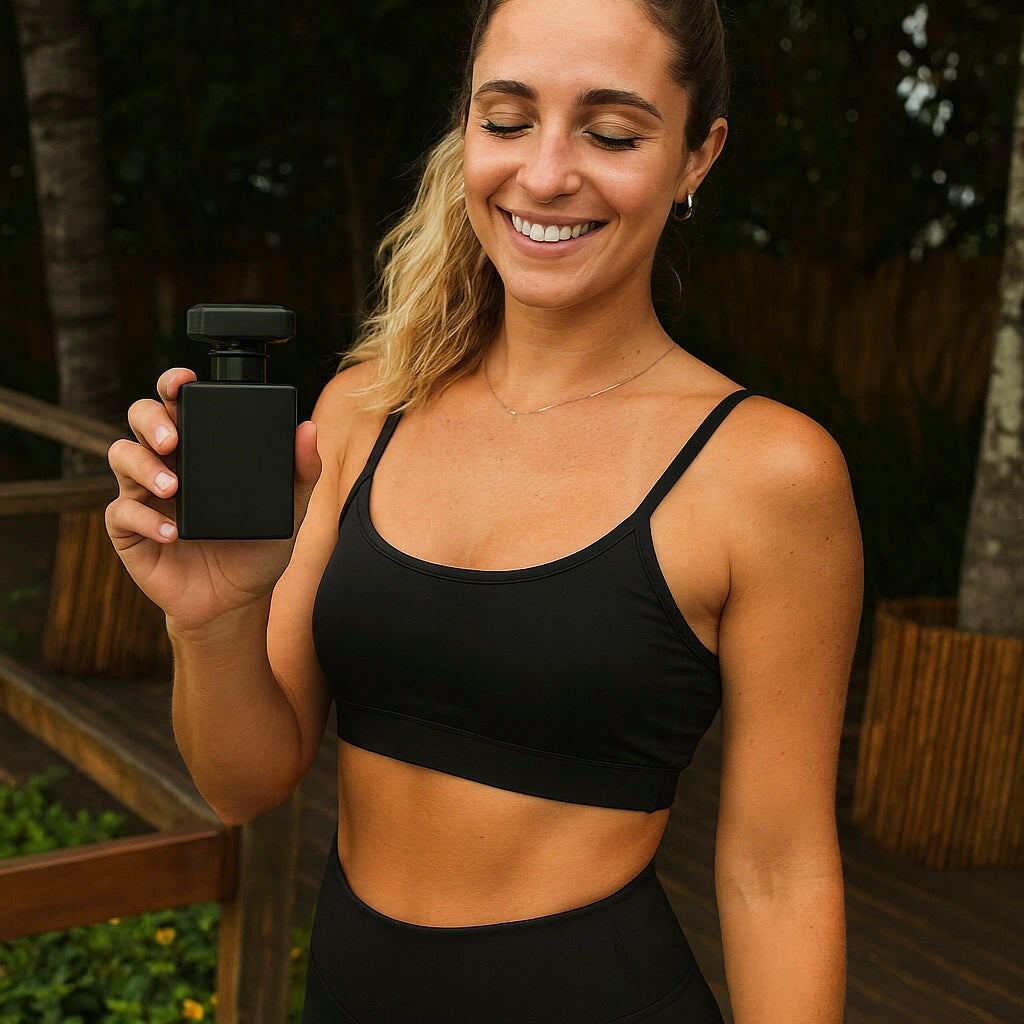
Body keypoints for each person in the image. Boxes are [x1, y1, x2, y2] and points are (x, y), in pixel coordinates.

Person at [106, 0, 862, 1020]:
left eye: (611, 131)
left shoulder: (765, 471)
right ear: (464, 126)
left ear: (696, 155)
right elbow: (245, 783)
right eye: (507, 119)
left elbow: (778, 868)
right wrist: (213, 618)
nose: (546, 174)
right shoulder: (364, 410)